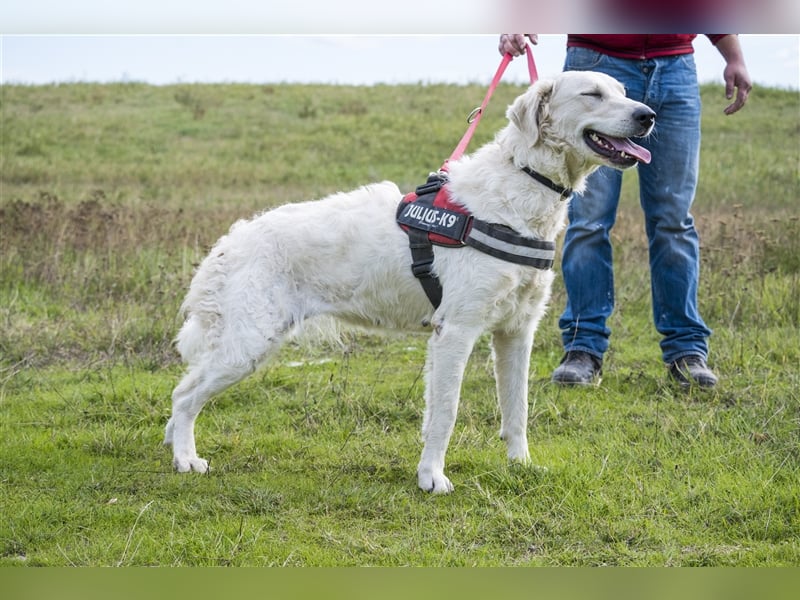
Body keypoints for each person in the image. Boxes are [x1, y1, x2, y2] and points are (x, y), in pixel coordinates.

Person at [498, 34, 752, 387]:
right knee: (588, 221)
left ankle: (687, 353)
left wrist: (733, 55)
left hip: (675, 65)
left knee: (673, 221)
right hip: (597, 60)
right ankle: (582, 349)